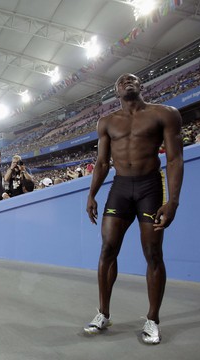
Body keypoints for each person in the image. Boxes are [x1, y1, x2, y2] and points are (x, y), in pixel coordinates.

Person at [84, 73, 184, 345]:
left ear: (141, 86)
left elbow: (174, 159)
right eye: (121, 81)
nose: (127, 81)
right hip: (120, 188)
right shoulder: (106, 122)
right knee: (107, 249)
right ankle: (103, 313)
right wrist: (91, 195)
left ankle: (153, 319)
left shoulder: (165, 114)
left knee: (152, 252)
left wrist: (172, 201)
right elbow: (102, 163)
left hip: (149, 187)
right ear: (116, 91)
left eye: (133, 79)